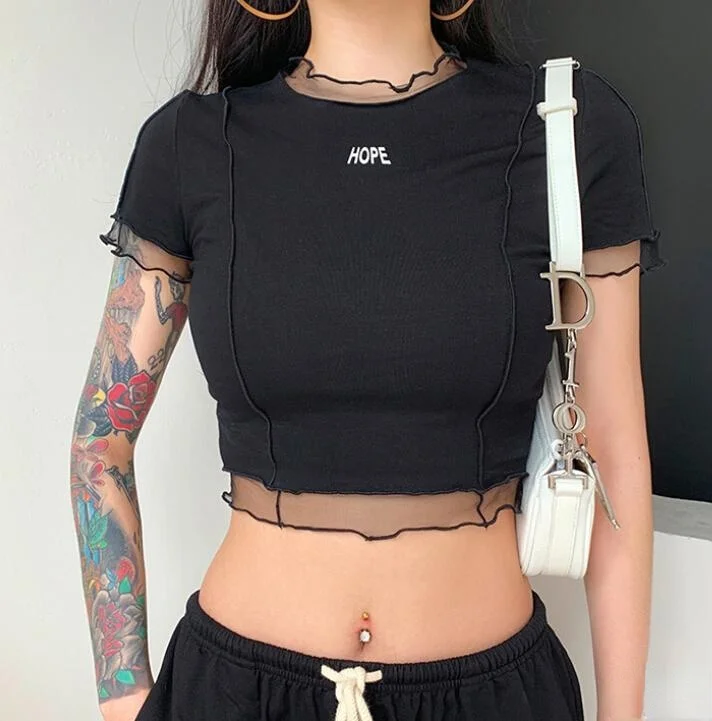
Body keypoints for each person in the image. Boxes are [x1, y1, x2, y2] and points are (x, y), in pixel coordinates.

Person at [70, 1, 667, 720]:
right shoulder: (190, 144)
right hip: (233, 692)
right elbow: (101, 440)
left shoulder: (566, 129)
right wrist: (125, 699)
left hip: (494, 697)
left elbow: (614, 452)